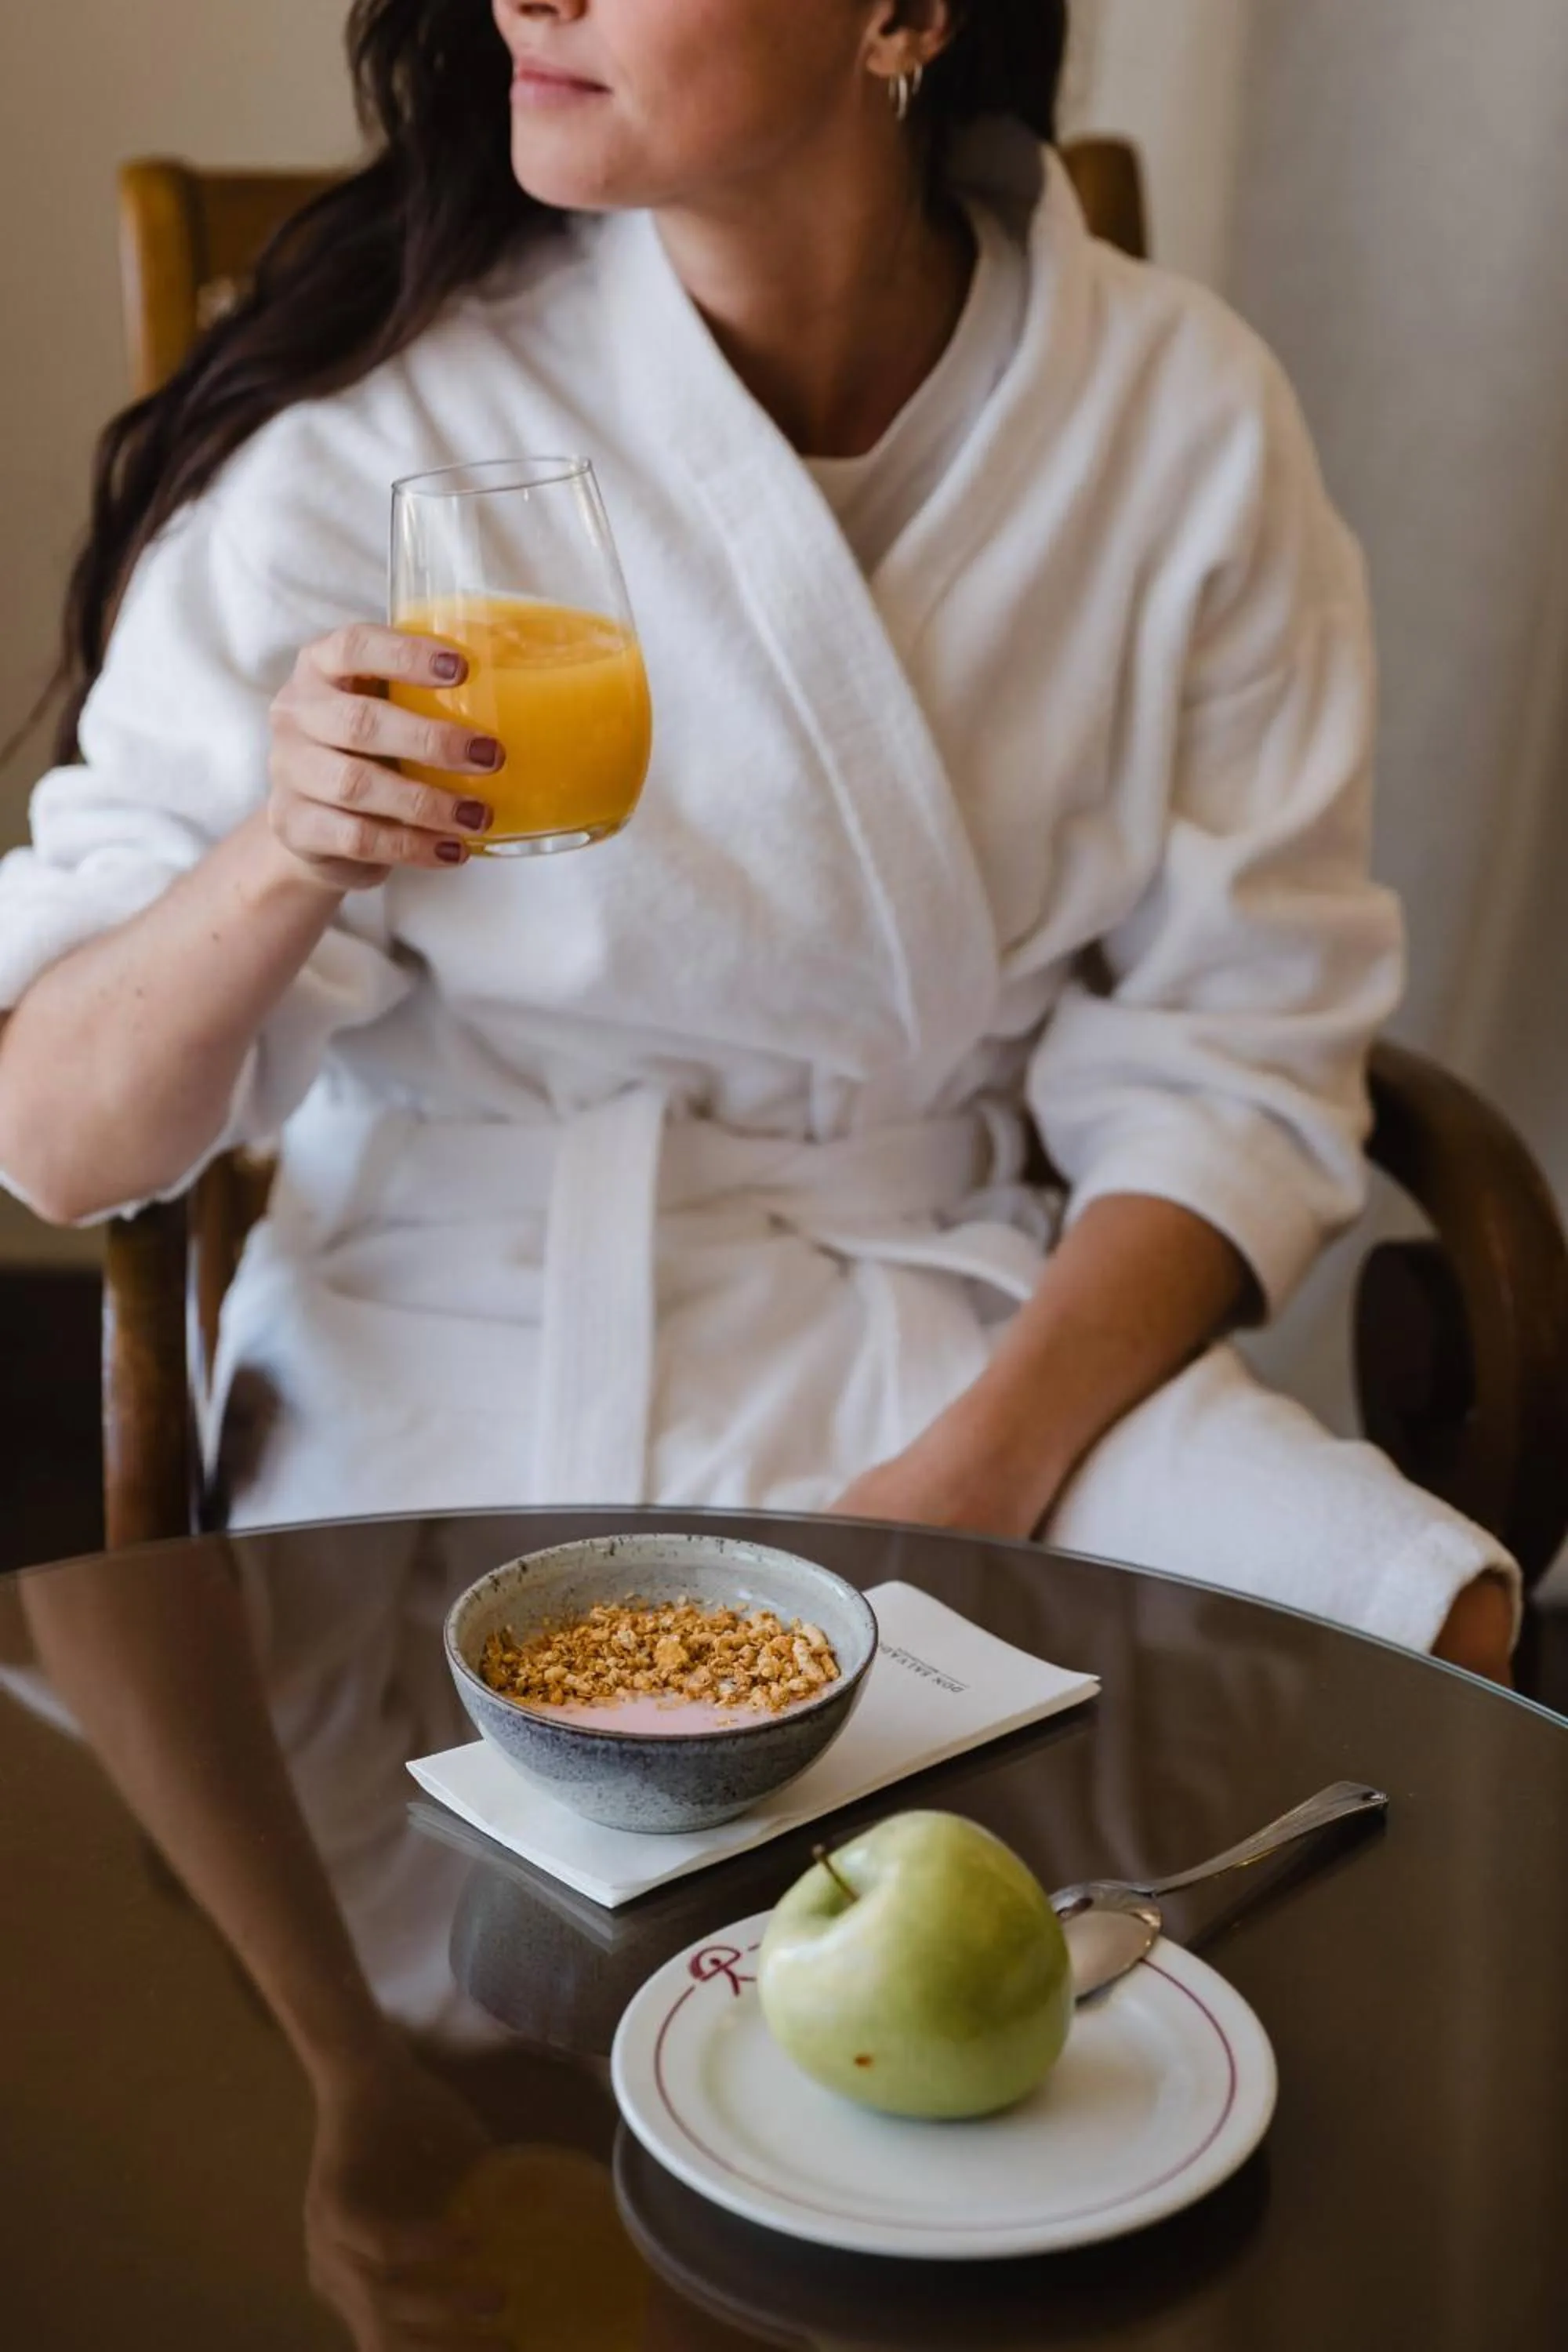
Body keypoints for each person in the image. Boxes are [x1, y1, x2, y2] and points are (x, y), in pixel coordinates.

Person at [0, 0, 1517, 1676]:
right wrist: (288, 849)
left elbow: (1240, 1067)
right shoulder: (372, 428)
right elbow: (62, 1138)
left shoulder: (1175, 419)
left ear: (903, 16)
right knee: (584, 1861)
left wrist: (970, 1480)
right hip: (472, 1331)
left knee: (1431, 1621)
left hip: (971, 1318)